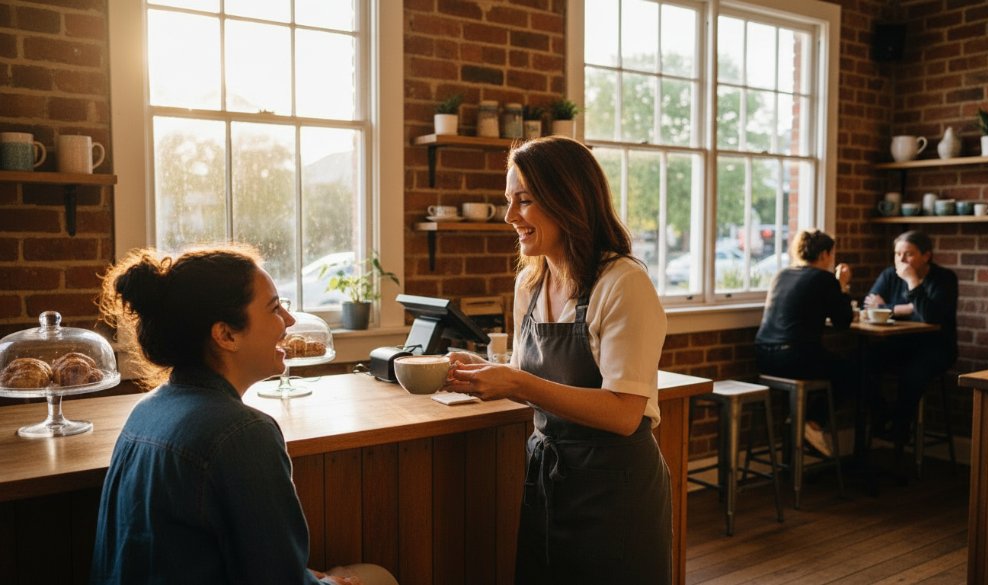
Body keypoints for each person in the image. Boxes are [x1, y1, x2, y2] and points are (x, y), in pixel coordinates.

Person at [91, 245, 397, 585]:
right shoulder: (242, 433)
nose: (290, 320)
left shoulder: (145, 411)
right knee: (376, 577)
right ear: (226, 334)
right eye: (274, 308)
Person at [445, 137, 671, 584]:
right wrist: (484, 373)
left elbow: (625, 412)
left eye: (524, 201)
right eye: (509, 201)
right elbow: (528, 373)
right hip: (547, 486)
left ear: (568, 199)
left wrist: (515, 383)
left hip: (616, 493)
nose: (510, 217)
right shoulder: (529, 284)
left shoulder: (623, 283)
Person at [755, 229, 857, 457]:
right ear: (824, 254)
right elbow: (843, 321)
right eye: (832, 254)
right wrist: (842, 286)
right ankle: (812, 422)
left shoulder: (782, 274)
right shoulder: (824, 279)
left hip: (764, 356)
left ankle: (799, 419)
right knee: (854, 371)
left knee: (836, 365)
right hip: (794, 358)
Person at [863, 230, 958, 446]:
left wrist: (913, 281)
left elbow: (931, 316)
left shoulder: (944, 279)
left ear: (926, 256)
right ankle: (882, 416)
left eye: (908, 254)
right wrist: (907, 308)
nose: (901, 260)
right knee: (862, 361)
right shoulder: (889, 275)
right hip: (899, 345)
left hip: (936, 348)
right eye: (897, 254)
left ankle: (900, 428)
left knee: (913, 374)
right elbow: (868, 308)